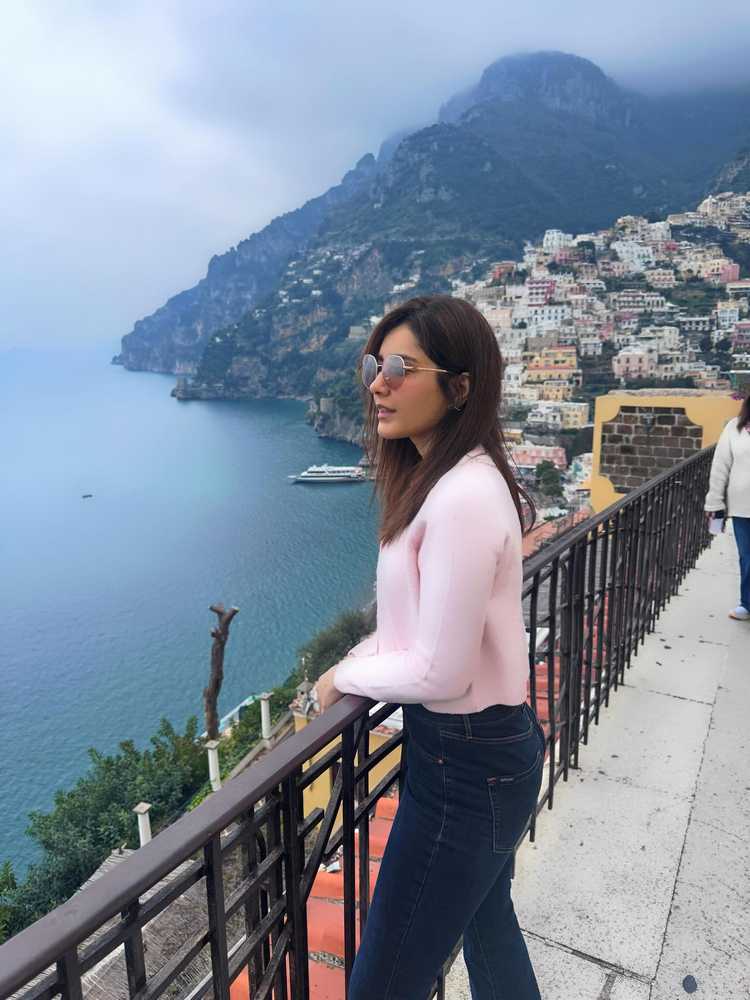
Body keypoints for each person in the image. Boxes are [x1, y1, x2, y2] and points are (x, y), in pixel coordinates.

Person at [312, 295, 546, 1000]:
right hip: (474, 756)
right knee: (488, 930)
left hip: (466, 769)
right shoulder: (446, 481)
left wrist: (341, 676)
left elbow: (440, 669)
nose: (377, 385)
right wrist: (361, 662)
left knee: (384, 982)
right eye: (372, 368)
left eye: (399, 368)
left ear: (459, 386)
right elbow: (413, 631)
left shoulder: (462, 496)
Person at [704, 389, 750, 621]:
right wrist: (714, 501)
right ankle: (747, 603)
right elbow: (720, 465)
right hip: (744, 506)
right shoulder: (735, 427)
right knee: (747, 556)